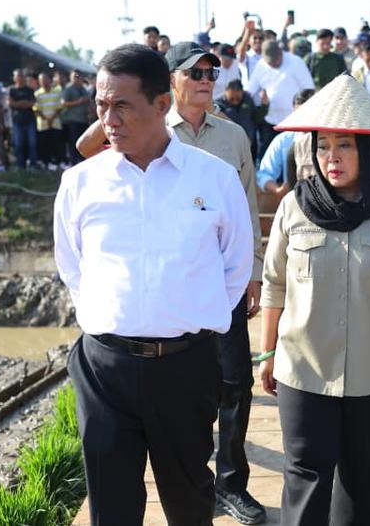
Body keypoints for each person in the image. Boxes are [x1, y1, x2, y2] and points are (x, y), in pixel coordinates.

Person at [55, 44, 253, 526]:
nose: (108, 119)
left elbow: (235, 268)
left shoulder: (215, 179)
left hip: (185, 370)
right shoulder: (81, 183)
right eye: (101, 106)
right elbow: (72, 267)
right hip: (105, 370)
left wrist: (184, 320)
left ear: (162, 105)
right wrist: (114, 318)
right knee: (112, 507)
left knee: (189, 503)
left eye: (121, 105)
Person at [260, 74, 370, 526]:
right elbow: (274, 282)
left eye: (344, 146)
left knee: (364, 476)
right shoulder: (294, 208)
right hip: (302, 368)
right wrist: (266, 352)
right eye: (322, 147)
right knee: (305, 474)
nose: (331, 158)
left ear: (367, 150)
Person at [246, 41, 314, 160]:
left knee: (293, 159)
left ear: (281, 52)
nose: (274, 64)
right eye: (270, 62)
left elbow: (309, 90)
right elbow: (250, 90)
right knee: (268, 159)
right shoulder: (261, 66)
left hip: (294, 124)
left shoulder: (296, 62)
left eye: (276, 60)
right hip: (270, 123)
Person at [215, 79, 258, 155]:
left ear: (242, 92)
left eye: (238, 99)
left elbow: (256, 117)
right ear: (226, 92)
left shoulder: (248, 100)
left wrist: (265, 106)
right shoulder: (218, 105)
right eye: (231, 99)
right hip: (229, 145)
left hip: (249, 143)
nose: (235, 101)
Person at [8, 69, 38, 170]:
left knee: (32, 143)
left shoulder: (29, 90)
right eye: (17, 76)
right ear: (14, 78)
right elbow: (10, 103)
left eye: (21, 76)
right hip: (17, 122)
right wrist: (24, 103)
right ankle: (21, 165)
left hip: (30, 120)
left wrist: (19, 104)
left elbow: (33, 103)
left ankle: (33, 164)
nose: (19, 78)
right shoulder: (11, 90)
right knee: (19, 144)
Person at [60, 70, 91, 165]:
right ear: (71, 77)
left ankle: (82, 162)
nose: (77, 78)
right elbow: (63, 103)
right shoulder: (68, 89)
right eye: (75, 76)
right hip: (72, 121)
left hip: (84, 120)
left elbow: (88, 102)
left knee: (84, 142)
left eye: (79, 76)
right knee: (73, 143)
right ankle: (73, 163)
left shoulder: (84, 89)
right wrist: (79, 101)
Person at [35, 71, 65, 170]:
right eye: (41, 80)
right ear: (39, 82)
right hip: (43, 125)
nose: (43, 82)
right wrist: (47, 119)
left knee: (57, 144)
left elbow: (60, 107)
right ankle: (47, 163)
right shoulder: (37, 94)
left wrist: (51, 119)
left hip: (55, 123)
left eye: (45, 79)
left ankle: (59, 162)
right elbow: (36, 109)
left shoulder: (57, 91)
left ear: (49, 80)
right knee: (45, 145)